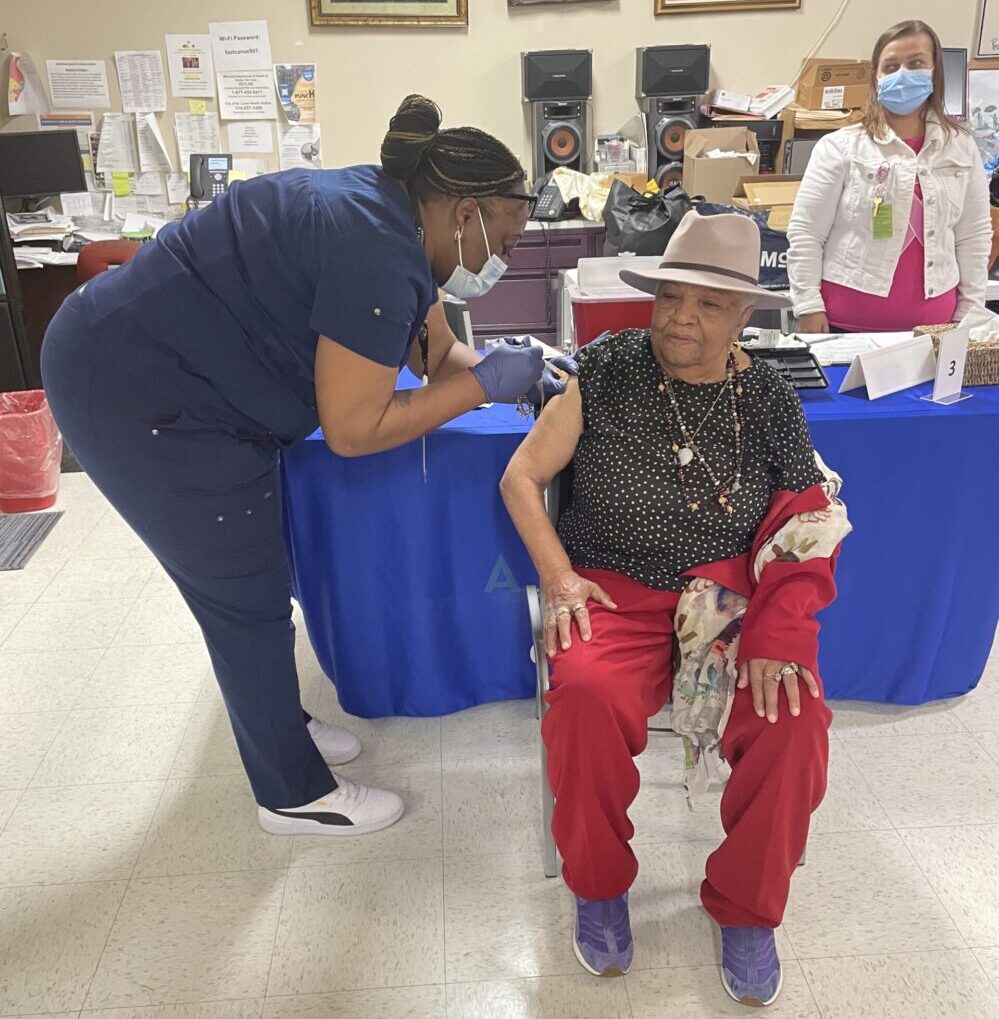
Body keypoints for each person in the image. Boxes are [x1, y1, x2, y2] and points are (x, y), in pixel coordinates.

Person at [41, 95, 549, 838]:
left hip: (154, 361)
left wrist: (518, 375)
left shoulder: (394, 216)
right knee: (241, 590)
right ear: (463, 212)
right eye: (503, 237)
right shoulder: (375, 249)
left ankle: (280, 718)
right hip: (139, 390)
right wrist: (481, 387)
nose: (500, 258)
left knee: (257, 575)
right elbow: (354, 427)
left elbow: (435, 350)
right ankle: (290, 791)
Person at [501, 213, 850, 1007]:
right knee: (583, 697)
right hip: (612, 590)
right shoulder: (610, 367)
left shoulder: (763, 394)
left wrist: (778, 630)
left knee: (792, 720)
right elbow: (520, 477)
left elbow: (805, 521)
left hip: (730, 604)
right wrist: (558, 578)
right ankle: (597, 886)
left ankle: (746, 907)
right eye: (669, 297)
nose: (679, 318)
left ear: (742, 319)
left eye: (706, 304)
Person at [787, 20, 991, 334]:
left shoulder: (960, 148)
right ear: (876, 77)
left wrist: (969, 313)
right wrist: (808, 307)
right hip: (846, 328)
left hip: (937, 329)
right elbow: (806, 233)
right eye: (891, 66)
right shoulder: (840, 147)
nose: (903, 75)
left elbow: (973, 237)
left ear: (935, 71)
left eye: (916, 64)